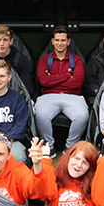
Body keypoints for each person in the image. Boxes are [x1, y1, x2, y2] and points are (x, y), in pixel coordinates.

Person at [36, 25, 87, 157]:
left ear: (68, 41)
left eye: (63, 40)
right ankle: (49, 147)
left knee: (82, 116)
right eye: (57, 40)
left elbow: (77, 82)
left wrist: (51, 78)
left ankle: (69, 148)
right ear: (52, 41)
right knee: (40, 114)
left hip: (73, 96)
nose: (60, 43)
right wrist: (66, 76)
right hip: (48, 96)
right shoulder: (44, 59)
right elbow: (43, 81)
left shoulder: (76, 60)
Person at [0, 25, 34, 96]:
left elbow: (26, 88)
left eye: (5, 40)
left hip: (16, 98)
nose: (2, 44)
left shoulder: (21, 59)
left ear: (11, 41)